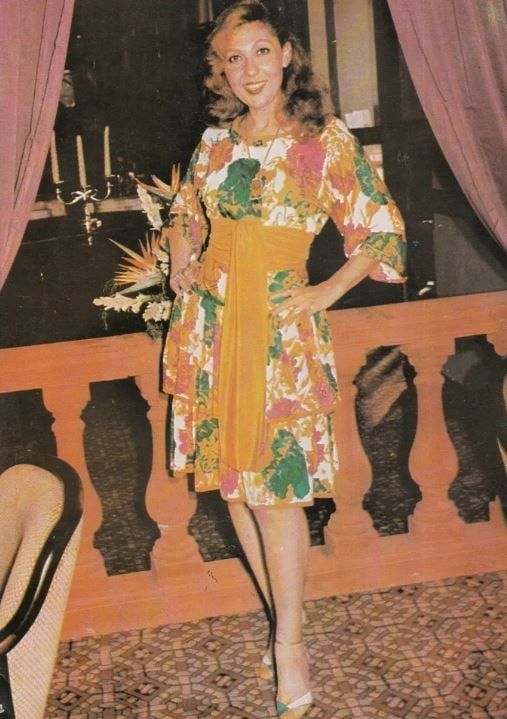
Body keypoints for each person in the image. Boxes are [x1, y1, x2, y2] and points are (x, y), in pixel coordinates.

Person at [161, 2, 406, 716]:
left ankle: (291, 646)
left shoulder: (322, 140)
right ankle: (281, 619)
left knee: (276, 493)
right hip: (210, 327)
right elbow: (185, 214)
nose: (248, 70)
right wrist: (181, 258)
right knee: (234, 488)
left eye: (261, 51)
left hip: (276, 334)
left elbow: (382, 228)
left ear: (287, 53)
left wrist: (326, 290)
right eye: (233, 57)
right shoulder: (214, 142)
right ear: (221, 69)